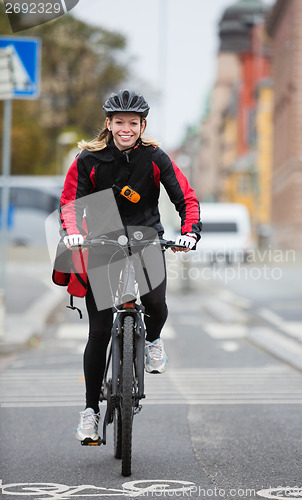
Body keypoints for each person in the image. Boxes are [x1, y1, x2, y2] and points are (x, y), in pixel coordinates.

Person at [55, 89, 202, 442]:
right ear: (108, 124)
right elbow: (70, 204)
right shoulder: (88, 160)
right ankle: (90, 412)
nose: (126, 128)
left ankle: (152, 340)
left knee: (155, 303)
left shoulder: (154, 157)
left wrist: (190, 232)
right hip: (103, 238)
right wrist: (73, 234)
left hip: (145, 233)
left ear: (142, 125)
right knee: (101, 330)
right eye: (119, 122)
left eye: (132, 123)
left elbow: (186, 197)